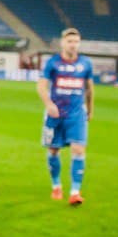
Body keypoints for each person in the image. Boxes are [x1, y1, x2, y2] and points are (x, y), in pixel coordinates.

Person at [37, 27, 95, 206]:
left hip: (76, 114)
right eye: (70, 41)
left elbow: (89, 88)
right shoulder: (53, 62)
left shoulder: (85, 63)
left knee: (78, 149)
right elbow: (41, 86)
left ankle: (75, 192)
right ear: (63, 43)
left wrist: (90, 109)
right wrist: (49, 104)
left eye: (76, 41)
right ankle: (56, 186)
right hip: (55, 114)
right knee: (53, 150)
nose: (73, 45)